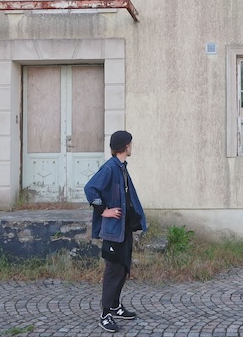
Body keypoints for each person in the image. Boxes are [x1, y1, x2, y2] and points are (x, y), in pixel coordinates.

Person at [84, 130, 147, 333]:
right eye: (130, 143)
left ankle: (115, 306)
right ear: (125, 146)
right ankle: (105, 315)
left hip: (123, 229)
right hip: (113, 230)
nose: (132, 146)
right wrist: (104, 210)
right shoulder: (110, 168)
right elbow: (90, 189)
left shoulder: (121, 168)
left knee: (123, 267)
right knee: (113, 271)